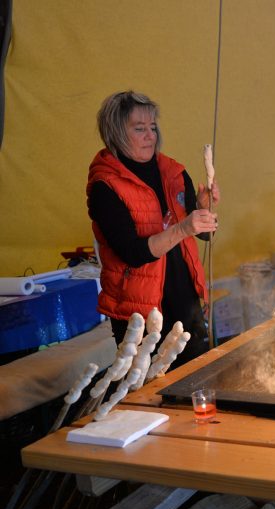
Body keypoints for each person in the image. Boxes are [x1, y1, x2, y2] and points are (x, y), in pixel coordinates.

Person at [87, 91, 220, 366]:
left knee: (197, 380)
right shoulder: (106, 186)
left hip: (185, 300)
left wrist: (204, 211)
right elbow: (133, 253)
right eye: (139, 129)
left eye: (153, 127)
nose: (151, 135)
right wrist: (183, 228)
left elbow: (203, 233)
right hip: (139, 314)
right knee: (151, 392)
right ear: (115, 133)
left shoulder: (173, 172)